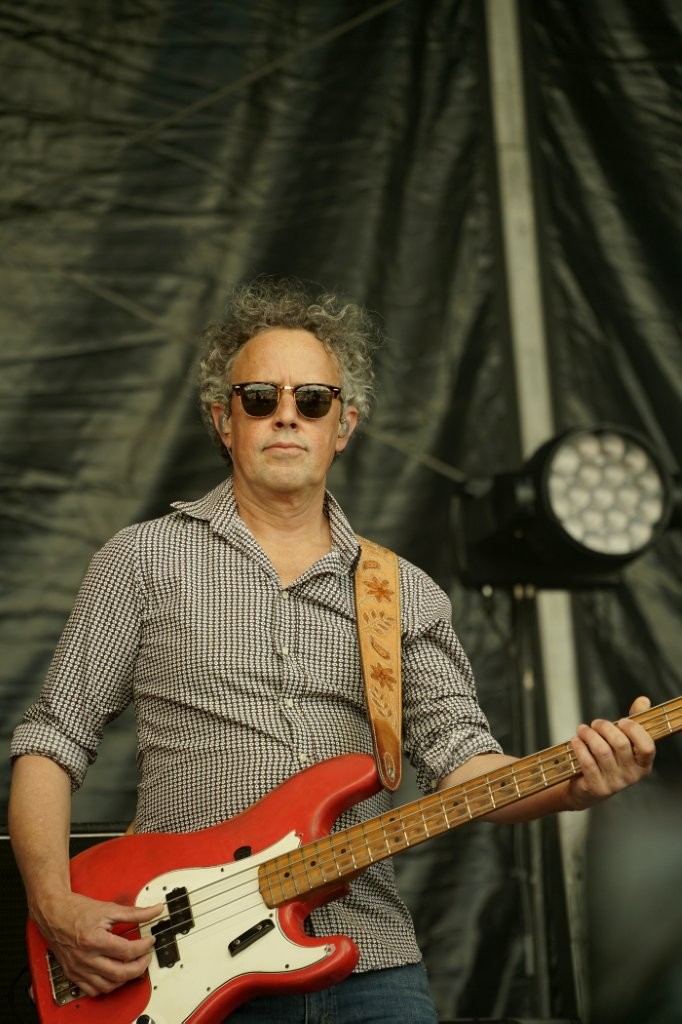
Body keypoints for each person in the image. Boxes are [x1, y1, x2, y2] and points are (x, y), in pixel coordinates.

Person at [8, 276, 655, 1024]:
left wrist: (575, 784)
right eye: (260, 398)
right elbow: (50, 744)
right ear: (224, 421)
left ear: (342, 426)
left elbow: (464, 766)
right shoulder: (143, 559)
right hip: (180, 963)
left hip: (368, 959)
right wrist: (53, 902)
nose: (287, 415)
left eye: (313, 400)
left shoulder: (401, 590)